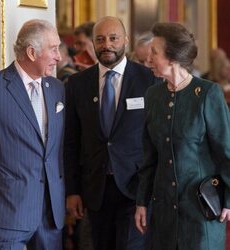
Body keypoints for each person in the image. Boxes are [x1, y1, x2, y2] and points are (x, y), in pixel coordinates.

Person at [64, 16, 158, 250]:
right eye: (100, 39)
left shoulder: (148, 79)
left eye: (113, 38)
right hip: (95, 189)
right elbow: (71, 141)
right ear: (94, 43)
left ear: (125, 40)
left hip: (135, 189)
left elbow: (156, 137)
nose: (107, 44)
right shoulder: (77, 84)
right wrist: (72, 190)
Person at [135, 22, 230, 250]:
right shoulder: (153, 95)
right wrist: (141, 202)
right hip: (163, 211)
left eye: (154, 53)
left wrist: (228, 199)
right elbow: (149, 156)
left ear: (173, 57)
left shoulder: (208, 93)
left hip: (201, 211)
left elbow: (226, 151)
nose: (148, 60)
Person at [0, 19, 65, 250]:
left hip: (50, 216)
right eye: (54, 48)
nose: (59, 56)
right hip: (7, 214)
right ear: (31, 52)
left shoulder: (57, 89)